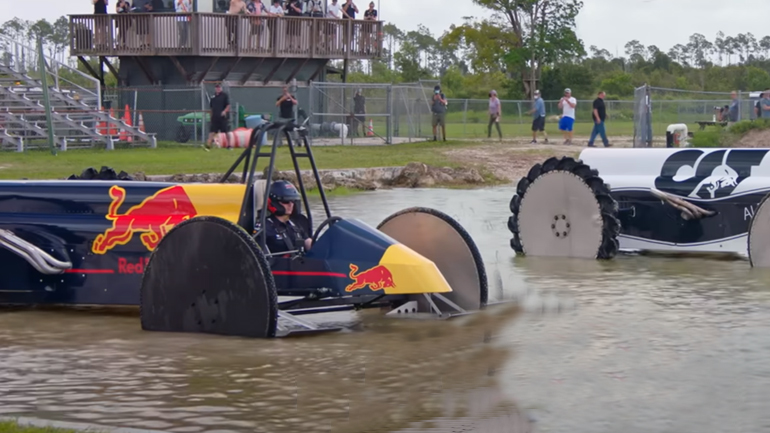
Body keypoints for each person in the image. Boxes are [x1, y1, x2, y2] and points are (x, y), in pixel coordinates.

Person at [262, 180, 313, 255]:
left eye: (293, 201)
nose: (291, 204)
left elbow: (307, 241)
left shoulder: (297, 223)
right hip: (277, 265)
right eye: (286, 201)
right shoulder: (265, 226)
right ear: (274, 202)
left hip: (301, 264)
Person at [205, 84, 230, 150]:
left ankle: (229, 145)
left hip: (222, 117)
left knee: (226, 131)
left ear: (221, 88)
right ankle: (208, 145)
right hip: (215, 118)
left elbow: (228, 106)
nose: (218, 89)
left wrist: (224, 111)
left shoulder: (224, 96)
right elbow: (211, 108)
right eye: (216, 87)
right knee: (212, 132)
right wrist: (211, 116)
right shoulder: (213, 97)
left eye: (219, 87)